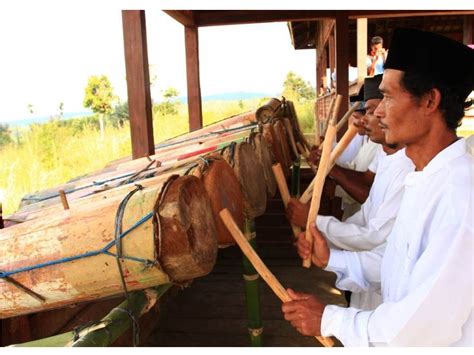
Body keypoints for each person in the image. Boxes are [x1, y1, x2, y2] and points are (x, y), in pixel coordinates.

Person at [282, 28, 474, 346]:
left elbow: (424, 325)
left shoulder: (459, 198)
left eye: (387, 97)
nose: (378, 111)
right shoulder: (424, 177)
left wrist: (329, 319)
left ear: (429, 101)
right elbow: (396, 262)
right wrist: (332, 259)